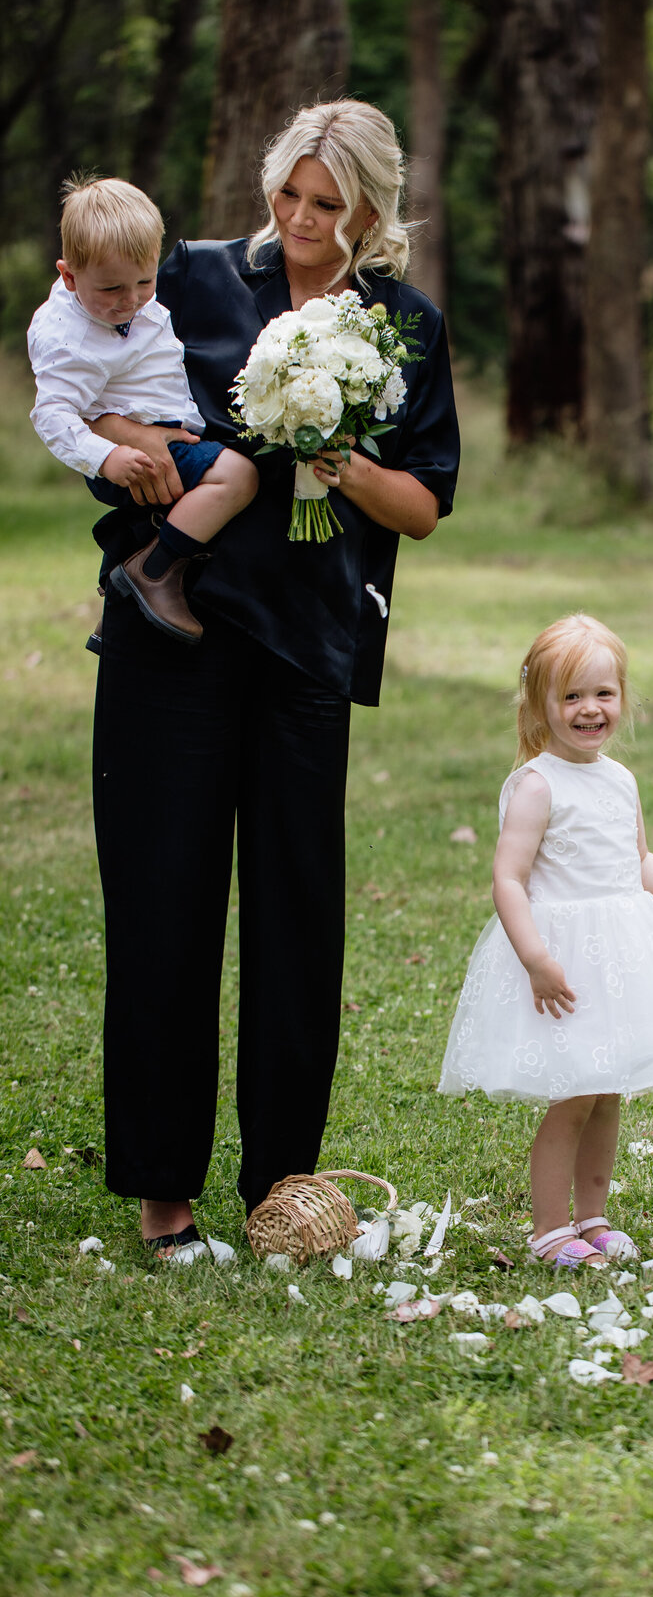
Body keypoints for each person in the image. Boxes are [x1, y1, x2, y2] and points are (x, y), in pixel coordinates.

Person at [87, 100, 459, 1255]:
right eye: (288, 195)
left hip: (308, 650)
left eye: (327, 204)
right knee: (165, 906)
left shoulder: (403, 323)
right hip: (174, 637)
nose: (299, 220)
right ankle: (164, 1200)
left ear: (372, 209)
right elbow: (93, 393)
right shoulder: (189, 279)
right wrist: (143, 462)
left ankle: (282, 1191)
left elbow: (427, 505)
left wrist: (333, 455)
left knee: (299, 920)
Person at [439, 614, 653, 1270]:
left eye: (602, 693)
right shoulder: (537, 786)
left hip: (620, 955)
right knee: (573, 1094)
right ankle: (548, 1229)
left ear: (622, 697)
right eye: (571, 696)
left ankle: (593, 1216)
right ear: (541, 705)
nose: (589, 709)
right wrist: (536, 957)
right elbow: (509, 879)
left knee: (607, 1091)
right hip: (566, 958)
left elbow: (638, 862)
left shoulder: (619, 779)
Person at [28, 175, 259, 646]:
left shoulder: (115, 303)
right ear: (68, 276)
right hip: (129, 449)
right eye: (112, 288)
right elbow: (52, 413)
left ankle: (118, 603)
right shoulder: (70, 341)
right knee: (238, 478)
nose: (131, 299)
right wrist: (106, 457)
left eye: (145, 281)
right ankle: (154, 572)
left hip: (155, 431)